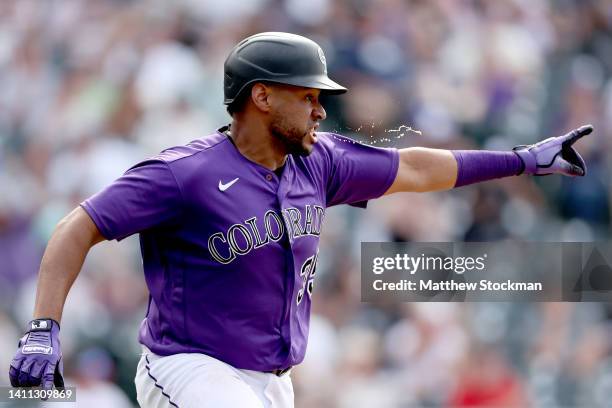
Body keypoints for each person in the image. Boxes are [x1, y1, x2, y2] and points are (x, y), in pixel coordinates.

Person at [8, 32, 591, 408]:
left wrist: (519, 161)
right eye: (307, 95)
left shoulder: (319, 162)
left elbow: (413, 168)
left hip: (272, 379)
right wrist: (44, 326)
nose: (320, 107)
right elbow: (76, 227)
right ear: (261, 97)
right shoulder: (183, 174)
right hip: (189, 366)